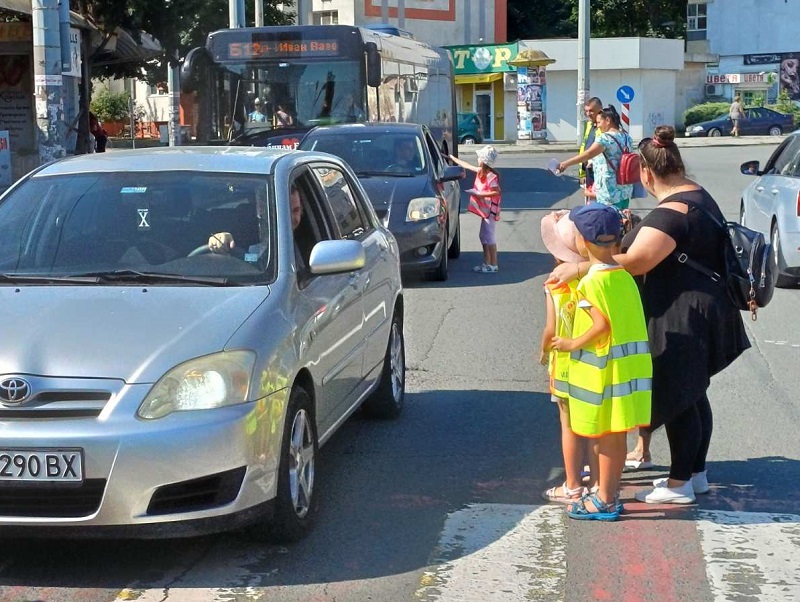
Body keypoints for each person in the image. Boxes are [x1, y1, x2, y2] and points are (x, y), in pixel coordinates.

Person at [550, 126, 751, 505]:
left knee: (678, 395)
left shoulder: (671, 214)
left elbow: (637, 261)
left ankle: (678, 485)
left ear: (645, 173)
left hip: (684, 312)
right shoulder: (695, 195)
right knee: (693, 394)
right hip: (706, 306)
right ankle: (695, 473)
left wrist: (580, 269)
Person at [550, 203, 652, 521]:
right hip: (629, 371)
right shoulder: (623, 276)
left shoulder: (591, 282)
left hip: (605, 373)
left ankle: (605, 499)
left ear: (581, 241)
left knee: (606, 437)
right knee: (618, 436)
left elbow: (600, 326)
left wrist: (570, 343)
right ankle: (609, 491)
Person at [539, 210, 599, 504]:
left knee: (569, 424)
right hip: (593, 361)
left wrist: (543, 350)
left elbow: (551, 328)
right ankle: (599, 482)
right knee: (596, 425)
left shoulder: (555, 285)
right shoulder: (592, 279)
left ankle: (573, 484)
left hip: (563, 363)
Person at [557, 105, 633, 210]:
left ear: (608, 120)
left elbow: (588, 154)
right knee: (623, 220)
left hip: (609, 191)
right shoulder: (627, 137)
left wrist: (565, 164)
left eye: (599, 122)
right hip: (625, 188)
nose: (597, 126)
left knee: (607, 221)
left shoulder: (605, 138)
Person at [449, 145, 501, 273]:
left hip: (490, 211)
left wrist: (479, 194)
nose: (477, 160)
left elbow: (496, 192)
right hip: (485, 212)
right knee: (483, 236)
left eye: (479, 158)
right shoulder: (481, 171)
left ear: (483, 161)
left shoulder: (491, 176)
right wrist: (451, 158)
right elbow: (466, 165)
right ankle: (487, 262)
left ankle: (493, 264)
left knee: (489, 237)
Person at [578, 97, 602, 188]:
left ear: (600, 109)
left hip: (600, 172)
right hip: (589, 170)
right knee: (590, 200)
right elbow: (584, 149)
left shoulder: (605, 127)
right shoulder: (589, 125)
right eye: (586, 111)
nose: (588, 114)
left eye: (591, 111)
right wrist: (582, 174)